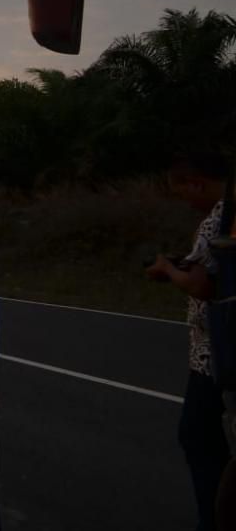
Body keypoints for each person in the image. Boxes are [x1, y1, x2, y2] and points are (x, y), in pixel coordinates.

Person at [146, 151, 229, 531]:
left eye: (183, 192)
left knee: (198, 438)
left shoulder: (219, 218)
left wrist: (166, 269)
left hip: (216, 353)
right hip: (223, 349)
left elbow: (202, 284)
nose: (186, 202)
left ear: (196, 182)